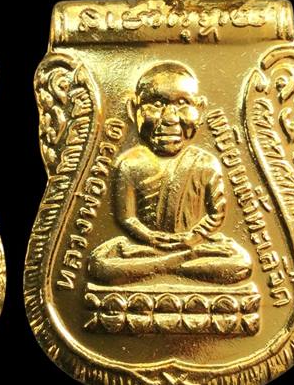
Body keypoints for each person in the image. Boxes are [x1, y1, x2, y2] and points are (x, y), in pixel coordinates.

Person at [88, 61, 251, 285]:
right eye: (156, 104)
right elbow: (127, 218)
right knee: (99, 264)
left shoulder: (205, 163)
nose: (170, 118)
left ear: (200, 110)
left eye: (183, 103)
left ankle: (163, 266)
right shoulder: (129, 163)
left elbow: (216, 214)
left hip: (194, 245)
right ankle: (178, 263)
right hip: (146, 248)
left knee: (240, 262)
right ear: (133, 110)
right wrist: (152, 238)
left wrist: (192, 238)